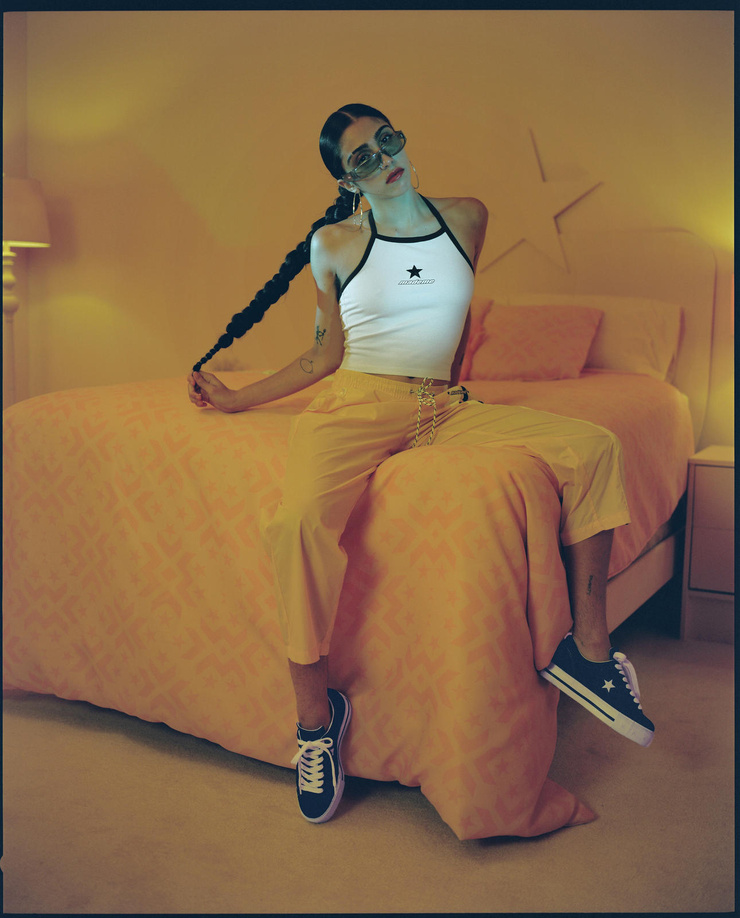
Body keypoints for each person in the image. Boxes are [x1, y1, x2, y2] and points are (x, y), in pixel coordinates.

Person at [187, 103, 654, 825]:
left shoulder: (467, 216)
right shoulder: (332, 243)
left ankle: (588, 654)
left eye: (388, 141)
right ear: (347, 181)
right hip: (356, 405)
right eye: (363, 158)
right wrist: (237, 399)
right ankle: (316, 722)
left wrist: (450, 389)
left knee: (595, 446)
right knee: (299, 524)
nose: (385, 160)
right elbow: (325, 354)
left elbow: (456, 323)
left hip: (442, 407)